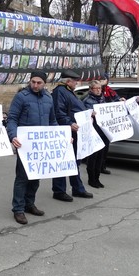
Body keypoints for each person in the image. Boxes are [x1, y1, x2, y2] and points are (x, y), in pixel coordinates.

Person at [6, 71, 57, 225]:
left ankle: (29, 204)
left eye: (39, 82)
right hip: (25, 145)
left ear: (44, 83)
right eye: (33, 82)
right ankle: (18, 209)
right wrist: (13, 136)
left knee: (35, 177)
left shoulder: (49, 98)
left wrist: (62, 136)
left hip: (41, 147)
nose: (35, 85)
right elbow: (12, 118)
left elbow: (53, 121)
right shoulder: (22, 97)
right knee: (22, 178)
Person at [51, 69, 94, 201]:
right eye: (75, 81)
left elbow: (75, 108)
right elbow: (59, 112)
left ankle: (77, 188)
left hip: (74, 132)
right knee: (64, 161)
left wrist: (88, 113)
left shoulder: (68, 92)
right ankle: (59, 191)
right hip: (66, 131)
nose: (77, 83)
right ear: (68, 81)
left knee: (75, 161)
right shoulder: (60, 92)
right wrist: (69, 123)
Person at [83, 80, 107, 188]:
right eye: (96, 88)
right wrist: (90, 114)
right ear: (91, 89)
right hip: (93, 132)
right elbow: (83, 115)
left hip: (102, 131)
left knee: (100, 157)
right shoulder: (87, 101)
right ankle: (91, 179)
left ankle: (97, 178)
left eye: (99, 88)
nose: (98, 90)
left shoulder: (102, 99)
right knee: (93, 157)